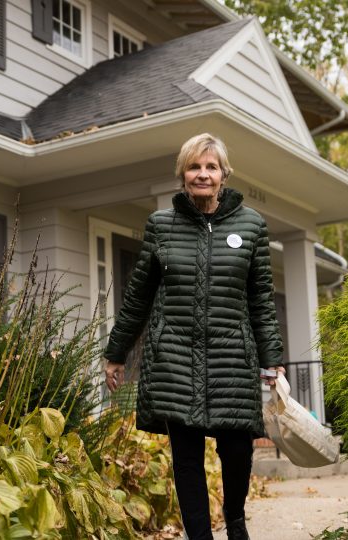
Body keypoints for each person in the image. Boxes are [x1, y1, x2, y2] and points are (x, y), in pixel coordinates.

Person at [103, 133, 285, 540]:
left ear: (223, 175)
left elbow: (261, 299)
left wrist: (270, 357)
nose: (202, 174)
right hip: (174, 357)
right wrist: (116, 352)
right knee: (185, 458)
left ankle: (235, 520)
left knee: (236, 450)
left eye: (210, 167)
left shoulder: (251, 226)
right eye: (194, 167)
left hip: (232, 357)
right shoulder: (161, 226)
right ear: (182, 175)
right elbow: (138, 296)